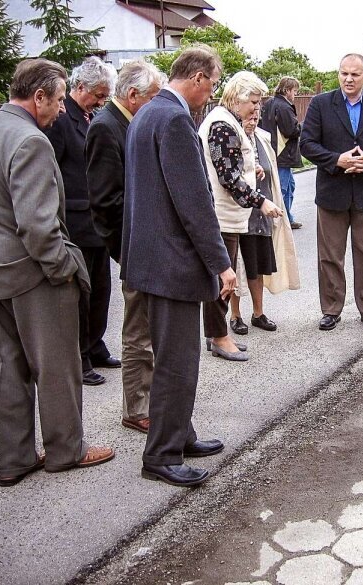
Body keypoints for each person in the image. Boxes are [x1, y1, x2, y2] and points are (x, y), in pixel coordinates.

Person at [0, 58, 114, 487]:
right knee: (58, 368)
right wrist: (63, 269)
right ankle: (67, 449)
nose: (63, 109)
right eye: (60, 99)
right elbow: (37, 225)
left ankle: (14, 459)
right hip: (32, 275)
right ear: (39, 96)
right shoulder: (30, 140)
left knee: (8, 372)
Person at [123, 45, 232, 488]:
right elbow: (194, 204)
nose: (211, 94)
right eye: (213, 84)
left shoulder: (147, 113)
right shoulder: (173, 119)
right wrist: (222, 264)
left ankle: (180, 435)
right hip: (173, 265)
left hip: (152, 260)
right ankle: (162, 455)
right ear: (201, 77)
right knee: (177, 363)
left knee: (174, 358)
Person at [85, 60, 163, 435]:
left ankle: (149, 400)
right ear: (133, 95)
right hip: (134, 248)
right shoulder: (105, 128)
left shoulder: (129, 122)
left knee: (148, 328)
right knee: (138, 332)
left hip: (146, 245)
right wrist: (126, 250)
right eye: (151, 96)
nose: (155, 103)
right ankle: (137, 407)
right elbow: (105, 201)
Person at [300, 53, 363, 332]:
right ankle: (331, 309)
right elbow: (306, 144)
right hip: (332, 193)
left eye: (355, 74)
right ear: (338, 74)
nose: (349, 78)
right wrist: (337, 160)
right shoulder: (321, 104)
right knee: (330, 255)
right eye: (344, 73)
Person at [198, 71, 285, 359]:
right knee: (224, 281)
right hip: (222, 216)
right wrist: (262, 202)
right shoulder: (222, 124)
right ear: (237, 97)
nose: (256, 108)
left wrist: (253, 170)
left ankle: (216, 334)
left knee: (222, 280)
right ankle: (220, 338)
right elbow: (228, 178)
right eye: (253, 101)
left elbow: (234, 167)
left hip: (227, 215)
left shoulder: (227, 121)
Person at [45, 56, 119, 387]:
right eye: (99, 94)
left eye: (105, 96)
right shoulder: (62, 121)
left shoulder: (92, 117)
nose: (102, 101)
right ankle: (80, 356)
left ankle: (95, 343)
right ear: (80, 88)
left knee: (102, 289)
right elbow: (53, 172)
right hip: (75, 220)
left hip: (97, 220)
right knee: (82, 294)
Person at [230, 111, 300, 332]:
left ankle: (258, 313)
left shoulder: (262, 138)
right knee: (237, 265)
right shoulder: (231, 137)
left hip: (262, 214)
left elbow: (271, 172)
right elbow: (229, 174)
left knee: (257, 266)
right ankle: (235, 315)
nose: (252, 121)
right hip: (239, 213)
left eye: (256, 117)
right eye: (248, 117)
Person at [260, 76, 303, 228]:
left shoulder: (269, 103)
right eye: (294, 91)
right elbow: (291, 130)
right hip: (283, 153)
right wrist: (300, 127)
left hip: (271, 150)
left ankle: (287, 217)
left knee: (288, 185)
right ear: (287, 90)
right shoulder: (284, 107)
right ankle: (282, 220)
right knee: (283, 189)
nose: (295, 95)